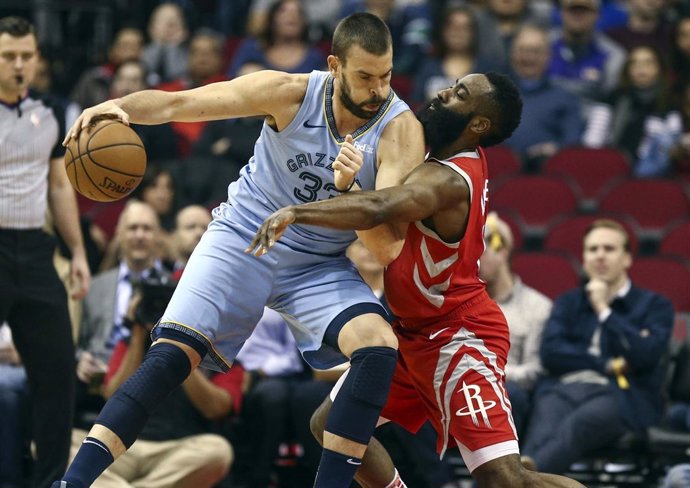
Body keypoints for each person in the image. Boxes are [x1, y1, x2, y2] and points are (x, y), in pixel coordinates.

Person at [55, 12, 424, 488]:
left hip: (317, 261)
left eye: (386, 76)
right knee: (171, 354)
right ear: (334, 66)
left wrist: (352, 193)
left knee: (377, 346)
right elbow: (180, 103)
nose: (378, 90)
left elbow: (388, 246)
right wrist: (114, 106)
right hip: (243, 236)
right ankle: (74, 481)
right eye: (365, 77)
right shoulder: (289, 92)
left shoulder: (399, 130)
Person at [247, 72, 583, 488]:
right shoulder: (436, 157)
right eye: (452, 85)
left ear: (478, 124)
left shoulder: (446, 181)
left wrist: (297, 211)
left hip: (458, 335)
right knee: (335, 425)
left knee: (503, 479)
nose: (443, 92)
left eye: (459, 95)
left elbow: (378, 208)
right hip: (411, 332)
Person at [0, 16, 91, 488]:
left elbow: (59, 185)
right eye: (8, 56)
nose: (18, 64)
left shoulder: (50, 111)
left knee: (57, 374)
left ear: (37, 58)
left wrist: (77, 251)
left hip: (35, 250)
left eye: (25, 55)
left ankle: (53, 482)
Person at [521, 219, 674, 474]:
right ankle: (527, 473)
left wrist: (604, 310)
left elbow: (645, 354)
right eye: (592, 249)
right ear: (584, 258)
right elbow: (551, 352)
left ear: (627, 258)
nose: (599, 256)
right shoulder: (568, 302)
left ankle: (526, 475)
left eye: (609, 249)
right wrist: (606, 363)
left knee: (578, 425)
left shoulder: (655, 305)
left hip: (621, 395)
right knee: (543, 424)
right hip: (565, 387)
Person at [479, 212, 551, 439]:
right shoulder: (460, 303)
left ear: (501, 251)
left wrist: (488, 372)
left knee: (510, 395)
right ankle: (439, 476)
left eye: (477, 253)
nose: (468, 261)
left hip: (506, 389)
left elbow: (535, 370)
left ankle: (504, 471)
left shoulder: (537, 306)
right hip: (462, 387)